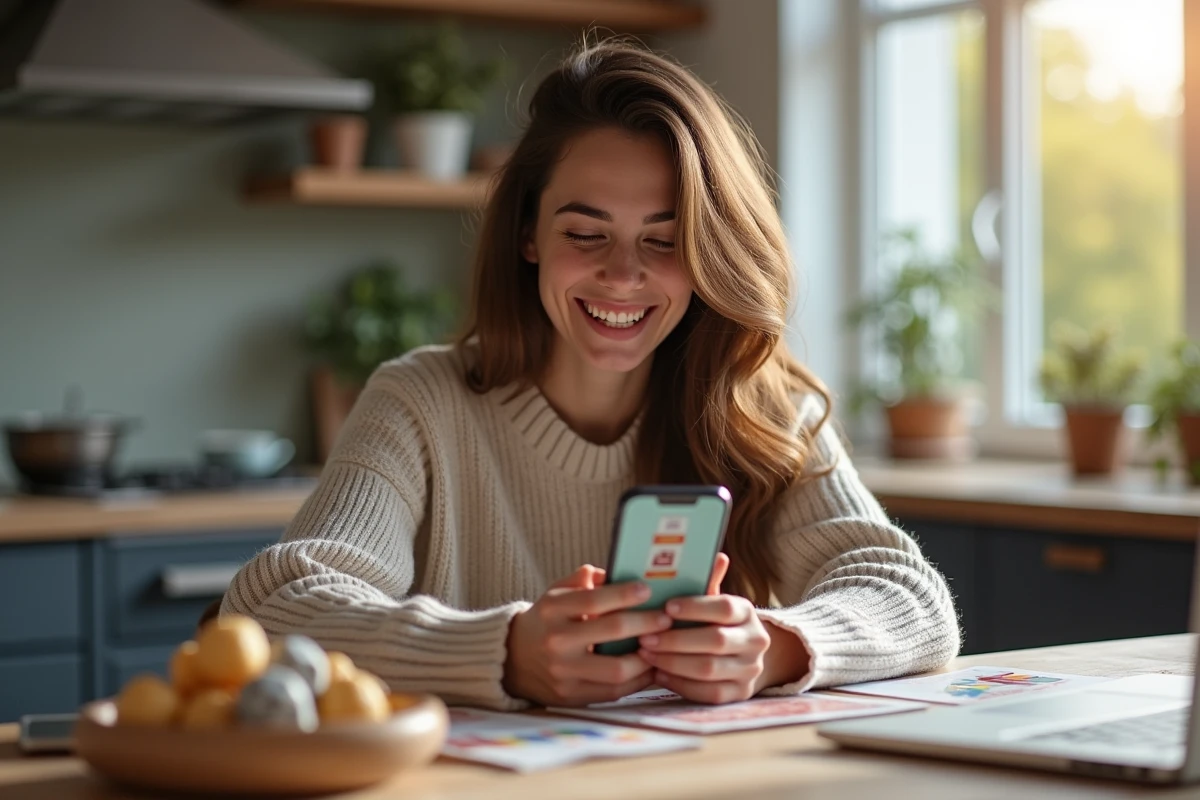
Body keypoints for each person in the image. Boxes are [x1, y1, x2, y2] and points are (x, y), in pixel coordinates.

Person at [222, 40, 959, 710]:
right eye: (585, 233)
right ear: (529, 235)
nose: (623, 275)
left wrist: (775, 649)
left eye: (664, 241)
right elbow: (269, 608)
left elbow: (913, 600)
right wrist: (503, 654)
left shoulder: (765, 406)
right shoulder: (419, 404)